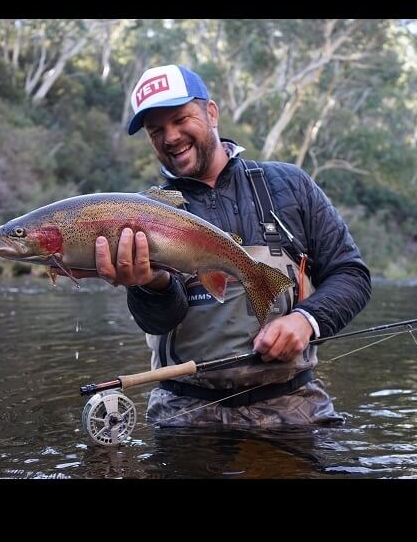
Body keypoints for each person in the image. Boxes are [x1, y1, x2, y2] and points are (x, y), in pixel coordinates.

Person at [94, 64, 372, 427]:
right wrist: (149, 284)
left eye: (180, 119)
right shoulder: (145, 212)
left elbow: (351, 274)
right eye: (156, 131)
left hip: (293, 405)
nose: (171, 137)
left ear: (211, 112)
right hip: (183, 412)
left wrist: (307, 320)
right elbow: (158, 320)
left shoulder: (288, 185)